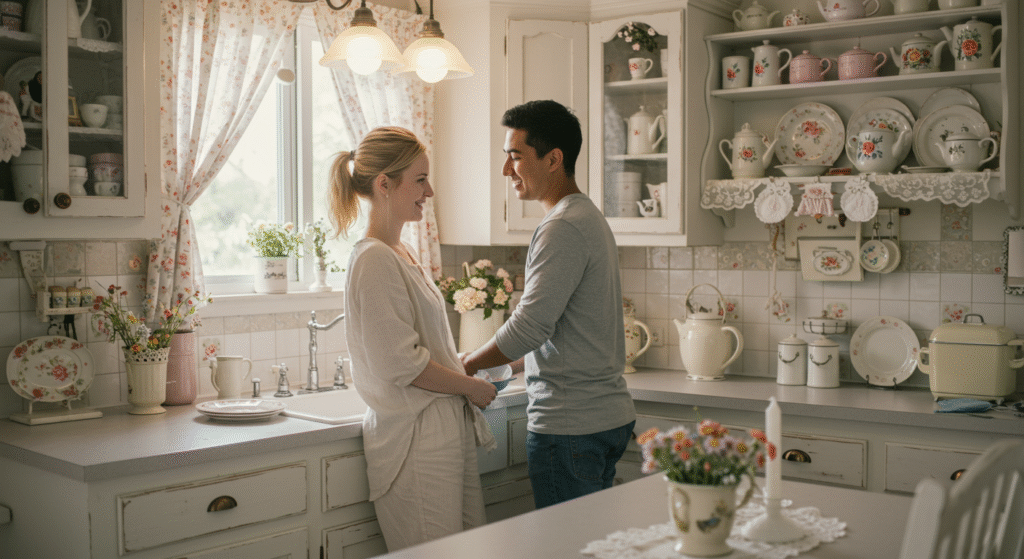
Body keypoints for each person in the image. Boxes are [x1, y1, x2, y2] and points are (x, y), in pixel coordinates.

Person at [461, 100, 636, 509]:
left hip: (571, 426)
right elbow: (562, 331)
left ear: (553, 159)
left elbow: (529, 327)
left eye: (515, 157)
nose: (506, 170)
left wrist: (466, 367)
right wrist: (511, 364)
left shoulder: (561, 227)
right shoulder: (587, 216)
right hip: (602, 417)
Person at [332, 126, 498, 551]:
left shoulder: (400, 254)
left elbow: (420, 349)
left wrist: (469, 365)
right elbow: (399, 364)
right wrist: (471, 386)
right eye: (420, 180)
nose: (430, 191)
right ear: (384, 184)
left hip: (438, 429)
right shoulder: (373, 260)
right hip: (415, 438)